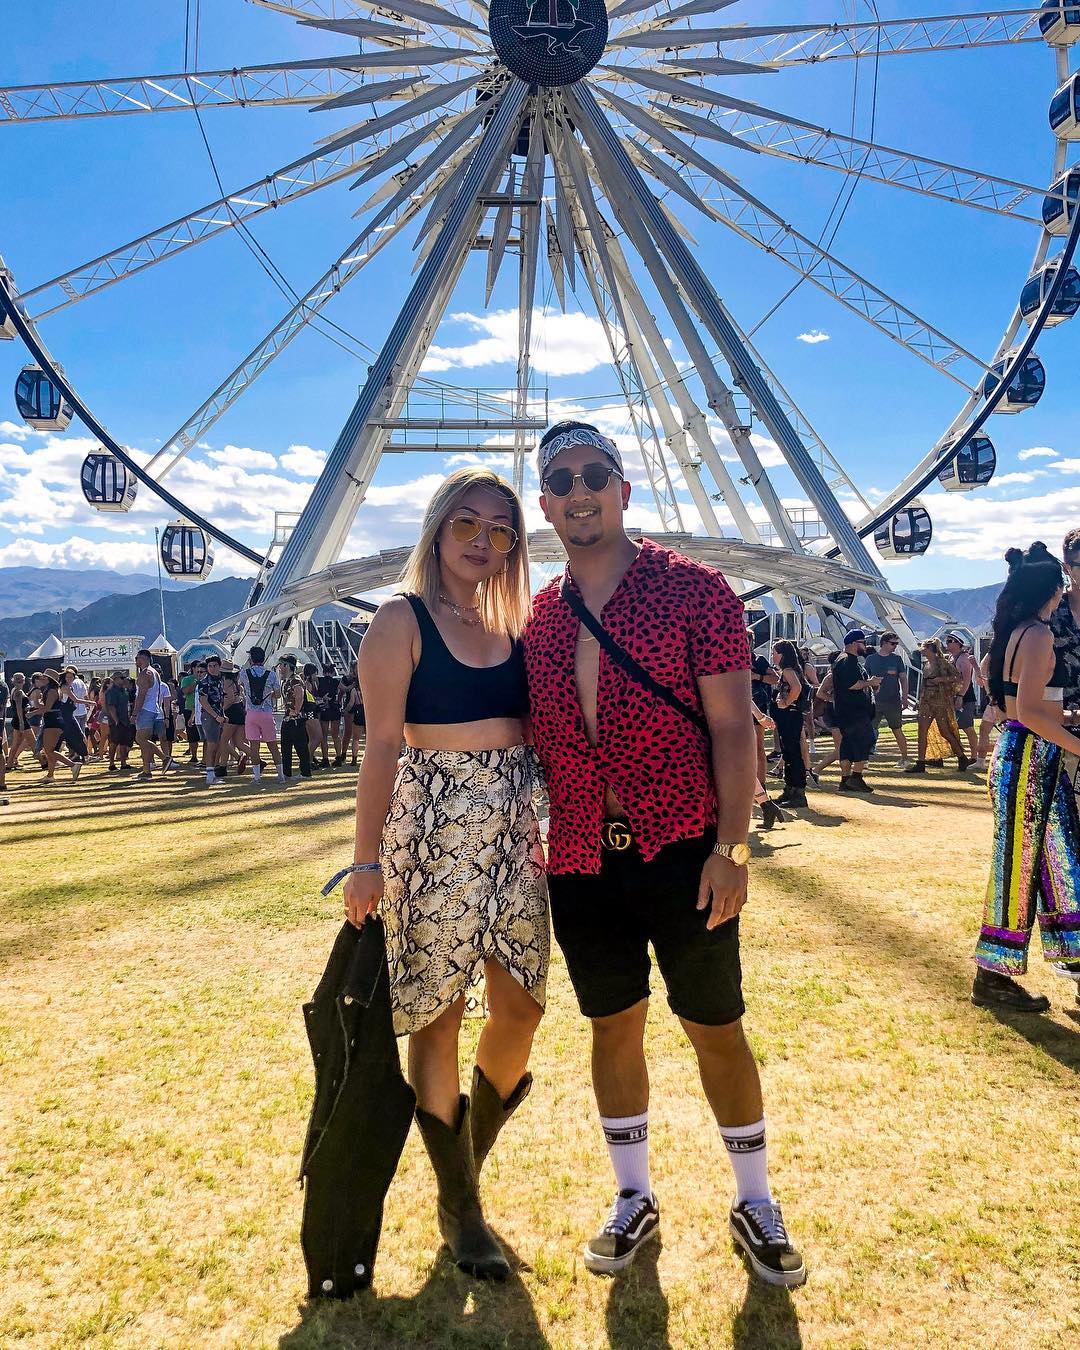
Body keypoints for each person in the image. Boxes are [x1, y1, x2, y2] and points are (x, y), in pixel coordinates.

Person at [523, 421, 804, 1287]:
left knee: (716, 1025)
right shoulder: (538, 616)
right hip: (579, 856)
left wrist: (733, 846)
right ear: (545, 505)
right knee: (612, 1026)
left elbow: (733, 727)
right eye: (562, 480)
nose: (579, 491)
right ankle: (632, 1194)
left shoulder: (695, 590)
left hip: (684, 847)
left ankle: (755, 1199)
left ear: (624, 489)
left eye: (594, 475)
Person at [341, 466, 548, 1281]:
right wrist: (364, 861)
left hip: (514, 825)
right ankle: (462, 1209)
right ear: (437, 527)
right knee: (439, 1013)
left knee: (522, 1006)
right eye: (467, 522)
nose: (482, 540)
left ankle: (461, 1171)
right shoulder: (400, 620)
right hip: (433, 822)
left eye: (500, 529)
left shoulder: (514, 620)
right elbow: (380, 747)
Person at [973, 544, 1080, 1011]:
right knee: (1019, 867)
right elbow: (1032, 713)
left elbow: (1018, 703)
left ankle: (1070, 959)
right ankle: (993, 974)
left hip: (1028, 755)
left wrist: (1066, 721)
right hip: (1032, 759)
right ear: (1053, 589)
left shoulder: (1015, 633)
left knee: (1061, 863)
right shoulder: (1037, 635)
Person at [905, 639, 970, 774]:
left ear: (930, 649)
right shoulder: (926, 664)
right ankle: (921, 762)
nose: (921, 650)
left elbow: (958, 678)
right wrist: (920, 700)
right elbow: (924, 684)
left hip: (941, 701)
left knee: (945, 731)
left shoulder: (943, 663)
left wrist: (941, 679)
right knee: (922, 730)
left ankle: (962, 757)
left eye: (923, 647)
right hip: (926, 701)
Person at [831, 630, 879, 793]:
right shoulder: (848, 661)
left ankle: (845, 780)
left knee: (847, 745)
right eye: (862, 642)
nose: (865, 646)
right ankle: (856, 778)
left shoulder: (843, 659)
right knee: (864, 741)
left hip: (846, 710)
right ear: (853, 643)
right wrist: (870, 683)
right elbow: (852, 684)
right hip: (854, 711)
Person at [771, 640, 808, 809]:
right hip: (789, 716)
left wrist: (787, 702)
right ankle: (790, 789)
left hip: (790, 715)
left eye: (775, 653)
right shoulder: (790, 670)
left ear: (782, 654)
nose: (773, 656)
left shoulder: (788, 670)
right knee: (788, 752)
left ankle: (798, 792)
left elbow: (797, 687)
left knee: (793, 753)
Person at [865, 632, 911, 767]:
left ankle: (904, 758)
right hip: (874, 702)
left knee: (897, 729)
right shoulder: (871, 659)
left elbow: (903, 679)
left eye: (897, 644)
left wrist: (905, 697)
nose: (895, 646)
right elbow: (865, 679)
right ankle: (864, 759)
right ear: (884, 643)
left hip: (893, 701)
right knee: (869, 730)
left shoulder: (897, 659)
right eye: (893, 643)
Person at [240, 647, 284, 784]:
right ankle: (281, 775)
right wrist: (269, 694)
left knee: (254, 746)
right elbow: (278, 694)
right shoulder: (271, 675)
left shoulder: (244, 673)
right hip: (266, 713)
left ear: (251, 659)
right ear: (264, 659)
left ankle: (257, 777)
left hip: (251, 714)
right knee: (273, 745)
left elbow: (240, 686)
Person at [132, 650, 167, 781]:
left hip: (146, 709)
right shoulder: (154, 673)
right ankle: (146, 770)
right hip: (153, 709)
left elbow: (141, 696)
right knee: (144, 741)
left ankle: (164, 758)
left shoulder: (145, 674)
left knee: (141, 739)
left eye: (138, 658)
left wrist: (135, 713)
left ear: (144, 658)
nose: (136, 661)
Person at [39, 670, 79, 782]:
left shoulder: (52, 691)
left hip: (53, 721)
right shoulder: (50, 690)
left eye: (44, 677)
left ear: (48, 679)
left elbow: (48, 708)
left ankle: (72, 765)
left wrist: (32, 712)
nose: (42, 679)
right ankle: (50, 775)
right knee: (50, 750)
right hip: (53, 720)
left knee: (49, 751)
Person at [945, 633, 979, 764]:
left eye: (950, 641)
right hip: (954, 696)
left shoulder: (964, 658)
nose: (947, 643)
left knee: (967, 726)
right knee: (953, 727)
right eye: (947, 640)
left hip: (965, 697)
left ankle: (974, 757)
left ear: (958, 643)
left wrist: (960, 696)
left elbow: (966, 679)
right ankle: (961, 755)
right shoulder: (951, 658)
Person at [198, 654, 228, 786]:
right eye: (209, 666)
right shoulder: (205, 682)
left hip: (219, 716)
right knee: (211, 745)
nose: (211, 668)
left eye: (214, 665)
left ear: (219, 666)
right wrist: (216, 716)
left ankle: (213, 773)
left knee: (218, 745)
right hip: (209, 716)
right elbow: (203, 702)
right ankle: (210, 775)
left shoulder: (221, 679)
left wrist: (222, 714)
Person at [105, 668, 134, 772]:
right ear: (116, 679)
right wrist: (116, 720)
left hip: (125, 719)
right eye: (122, 678)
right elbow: (111, 706)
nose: (124, 679)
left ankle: (123, 763)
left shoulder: (124, 690)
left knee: (124, 742)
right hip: (116, 721)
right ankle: (111, 763)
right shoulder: (111, 691)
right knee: (114, 742)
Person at [6, 672, 33, 770]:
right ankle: (44, 763)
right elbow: (18, 708)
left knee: (16, 743)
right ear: (13, 680)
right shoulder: (18, 692)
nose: (20, 680)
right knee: (33, 742)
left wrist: (28, 707)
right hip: (21, 719)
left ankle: (9, 763)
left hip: (18, 719)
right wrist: (21, 722)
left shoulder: (15, 690)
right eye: (17, 679)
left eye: (21, 678)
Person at [317, 663, 342, 768]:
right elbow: (344, 689)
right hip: (334, 708)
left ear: (323, 672)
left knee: (324, 736)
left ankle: (325, 759)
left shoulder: (319, 680)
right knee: (336, 735)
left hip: (325, 709)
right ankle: (339, 757)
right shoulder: (336, 682)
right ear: (332, 672)